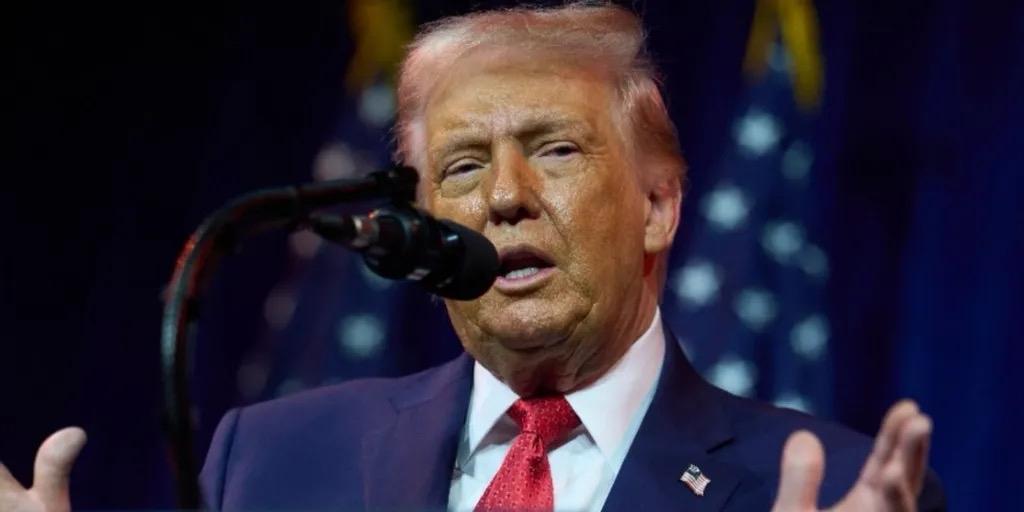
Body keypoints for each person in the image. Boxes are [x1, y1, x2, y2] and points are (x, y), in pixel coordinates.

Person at [0, 3, 944, 511]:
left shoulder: (827, 487)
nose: (503, 196)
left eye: (556, 150)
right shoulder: (273, 461)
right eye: (460, 166)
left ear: (658, 206)